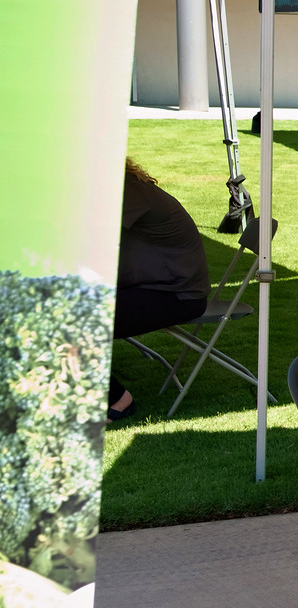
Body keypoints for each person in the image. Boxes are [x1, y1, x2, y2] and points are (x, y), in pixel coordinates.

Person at [110, 160, 211, 421]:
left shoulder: (126, 189)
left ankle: (118, 400)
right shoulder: (122, 185)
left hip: (178, 293)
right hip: (162, 285)